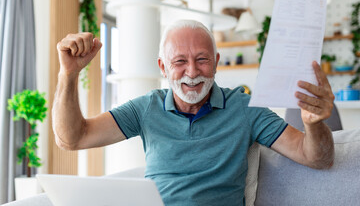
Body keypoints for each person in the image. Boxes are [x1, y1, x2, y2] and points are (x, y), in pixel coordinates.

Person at [53, 20, 335, 206]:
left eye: (202, 60)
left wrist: (314, 124)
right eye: (180, 61)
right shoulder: (145, 108)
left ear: (216, 63)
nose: (192, 72)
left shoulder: (246, 108)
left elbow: (316, 157)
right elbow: (73, 139)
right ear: (163, 68)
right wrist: (69, 74)